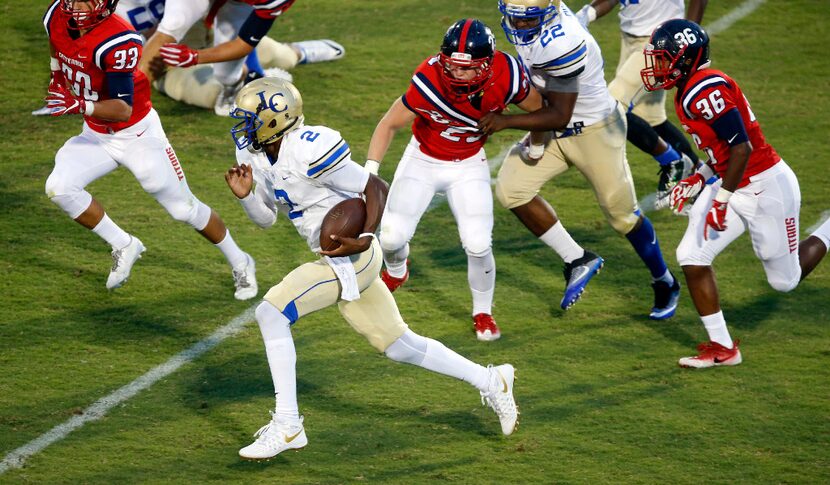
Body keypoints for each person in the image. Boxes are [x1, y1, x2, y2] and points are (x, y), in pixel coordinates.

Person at [224, 77, 518, 460]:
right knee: (399, 345)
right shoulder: (257, 154)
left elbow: (375, 186)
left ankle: (288, 424)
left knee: (271, 313)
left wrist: (363, 235)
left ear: (275, 120)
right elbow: (265, 220)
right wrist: (246, 198)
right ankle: (492, 379)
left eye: (250, 119)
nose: (244, 127)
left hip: (352, 257)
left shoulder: (307, 149)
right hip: (336, 255)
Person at [366, 19, 601, 341]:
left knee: (477, 244)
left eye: (468, 68)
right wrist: (370, 172)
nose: (458, 74)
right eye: (452, 66)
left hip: (467, 165)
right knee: (391, 239)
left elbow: (539, 112)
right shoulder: (429, 79)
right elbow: (389, 123)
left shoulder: (507, 74)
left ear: (488, 64)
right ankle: (397, 271)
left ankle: (483, 311)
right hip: (422, 159)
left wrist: (534, 144)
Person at [642, 19, 830, 367]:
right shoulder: (690, 89)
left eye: (665, 59)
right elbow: (722, 154)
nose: (658, 67)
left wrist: (722, 200)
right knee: (692, 256)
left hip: (765, 187)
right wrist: (698, 179)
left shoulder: (704, 89)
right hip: (735, 183)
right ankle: (724, 349)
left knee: (785, 282)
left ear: (685, 59)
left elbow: (741, 148)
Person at [478, 0, 681, 320]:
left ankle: (664, 281)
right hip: (555, 126)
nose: (516, 27)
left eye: (525, 20)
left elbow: (559, 115)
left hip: (594, 131)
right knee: (511, 189)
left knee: (623, 217)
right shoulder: (540, 20)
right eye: (512, 18)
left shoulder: (563, 41)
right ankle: (577, 258)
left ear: (545, 15)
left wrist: (504, 121)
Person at [42, 0, 257, 299]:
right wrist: (56, 77)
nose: (77, 5)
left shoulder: (119, 40)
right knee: (59, 187)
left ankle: (241, 261)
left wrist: (79, 103)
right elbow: (57, 45)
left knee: (184, 209)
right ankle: (124, 243)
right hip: (95, 133)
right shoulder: (55, 14)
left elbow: (121, 109)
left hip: (137, 135)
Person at [575, 0, 708, 208]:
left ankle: (673, 161)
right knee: (649, 116)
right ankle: (703, 178)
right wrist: (588, 13)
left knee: (611, 105)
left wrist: (685, 40)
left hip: (663, 43)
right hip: (631, 37)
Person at [115, 0, 343, 114]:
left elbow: (244, 43)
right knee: (208, 91)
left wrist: (195, 56)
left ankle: (294, 54)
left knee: (227, 78)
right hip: (159, 40)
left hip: (207, 26)